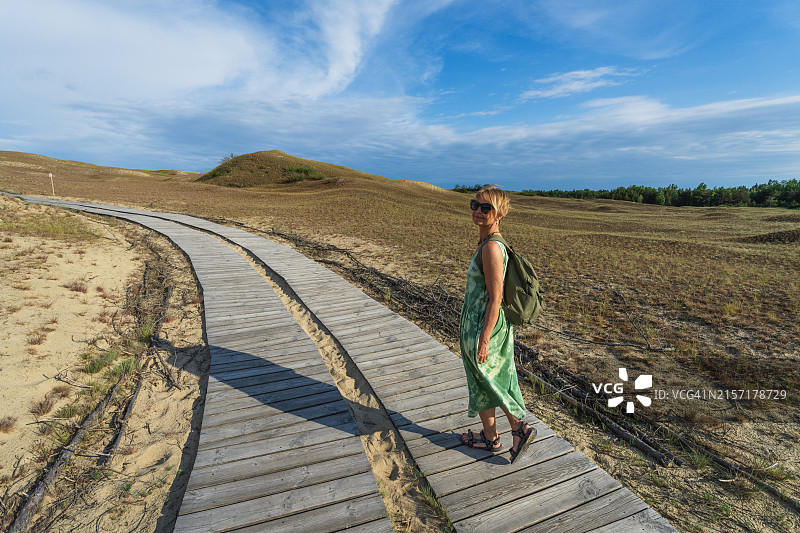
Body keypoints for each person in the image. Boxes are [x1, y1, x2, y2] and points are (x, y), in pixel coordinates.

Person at [459, 185, 535, 463]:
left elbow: (496, 298)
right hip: (477, 324)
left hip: (485, 326)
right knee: (482, 381)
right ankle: (490, 438)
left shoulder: (492, 247)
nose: (478, 211)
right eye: (475, 205)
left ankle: (519, 428)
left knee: (495, 381)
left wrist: (483, 339)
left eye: (486, 208)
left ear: (499, 213)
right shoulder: (485, 242)